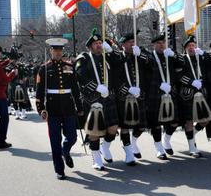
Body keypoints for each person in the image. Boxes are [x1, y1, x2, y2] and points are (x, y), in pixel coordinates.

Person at [75, 29, 124, 170]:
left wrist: (111, 50)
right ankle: (96, 159)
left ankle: (105, 147)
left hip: (108, 98)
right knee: (94, 131)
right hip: (92, 99)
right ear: (90, 46)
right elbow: (80, 75)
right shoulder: (83, 58)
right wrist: (96, 87)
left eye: (100, 42)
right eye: (96, 43)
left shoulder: (107, 56)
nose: (99, 45)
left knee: (113, 128)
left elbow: (121, 61)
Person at [35, 38, 83, 180]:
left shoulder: (69, 66)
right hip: (52, 108)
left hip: (68, 106)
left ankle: (65, 150)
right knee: (55, 140)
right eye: (55, 50)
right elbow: (39, 92)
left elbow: (75, 89)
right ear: (50, 51)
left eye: (60, 50)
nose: (58, 52)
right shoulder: (44, 68)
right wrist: (41, 109)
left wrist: (79, 107)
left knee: (73, 137)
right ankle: (59, 170)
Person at [115, 32, 150, 165]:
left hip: (139, 95)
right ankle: (128, 152)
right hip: (125, 96)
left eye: (133, 42)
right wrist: (127, 89)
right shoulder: (118, 57)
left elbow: (151, 64)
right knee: (125, 127)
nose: (132, 44)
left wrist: (139, 54)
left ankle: (133, 142)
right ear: (123, 44)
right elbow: (114, 78)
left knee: (141, 126)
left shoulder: (140, 54)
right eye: (129, 42)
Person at [146, 34, 180, 160]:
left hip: (170, 93)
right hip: (155, 93)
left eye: (163, 42)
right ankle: (159, 148)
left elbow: (182, 64)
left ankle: (166, 139)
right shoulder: (150, 57)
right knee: (156, 124)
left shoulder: (169, 56)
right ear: (153, 45)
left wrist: (174, 55)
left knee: (175, 121)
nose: (161, 45)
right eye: (158, 43)